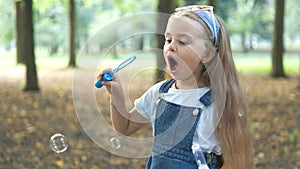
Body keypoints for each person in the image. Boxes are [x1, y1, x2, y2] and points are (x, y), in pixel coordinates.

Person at [97, 5, 253, 169]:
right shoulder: (159, 94)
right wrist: (116, 94)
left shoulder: (218, 103)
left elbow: (234, 162)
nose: (170, 46)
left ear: (207, 54)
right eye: (168, 39)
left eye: (182, 41)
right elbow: (125, 127)